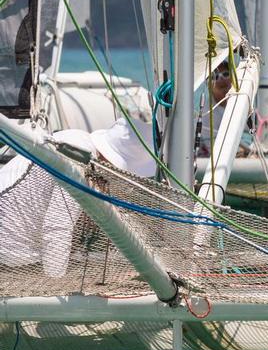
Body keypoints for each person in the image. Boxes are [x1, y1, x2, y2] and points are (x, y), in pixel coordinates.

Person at [0, 119, 157, 278]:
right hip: (11, 251)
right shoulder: (78, 164)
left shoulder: (79, 141)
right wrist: (56, 285)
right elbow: (58, 226)